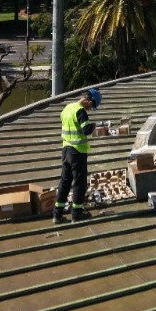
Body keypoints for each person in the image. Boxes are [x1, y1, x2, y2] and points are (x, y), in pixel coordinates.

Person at [55, 87, 101, 223]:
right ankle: (77, 214)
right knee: (79, 183)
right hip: (77, 151)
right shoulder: (80, 111)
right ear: (90, 101)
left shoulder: (67, 108)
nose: (90, 109)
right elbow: (86, 130)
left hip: (66, 150)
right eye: (92, 106)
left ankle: (57, 214)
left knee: (65, 181)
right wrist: (93, 126)